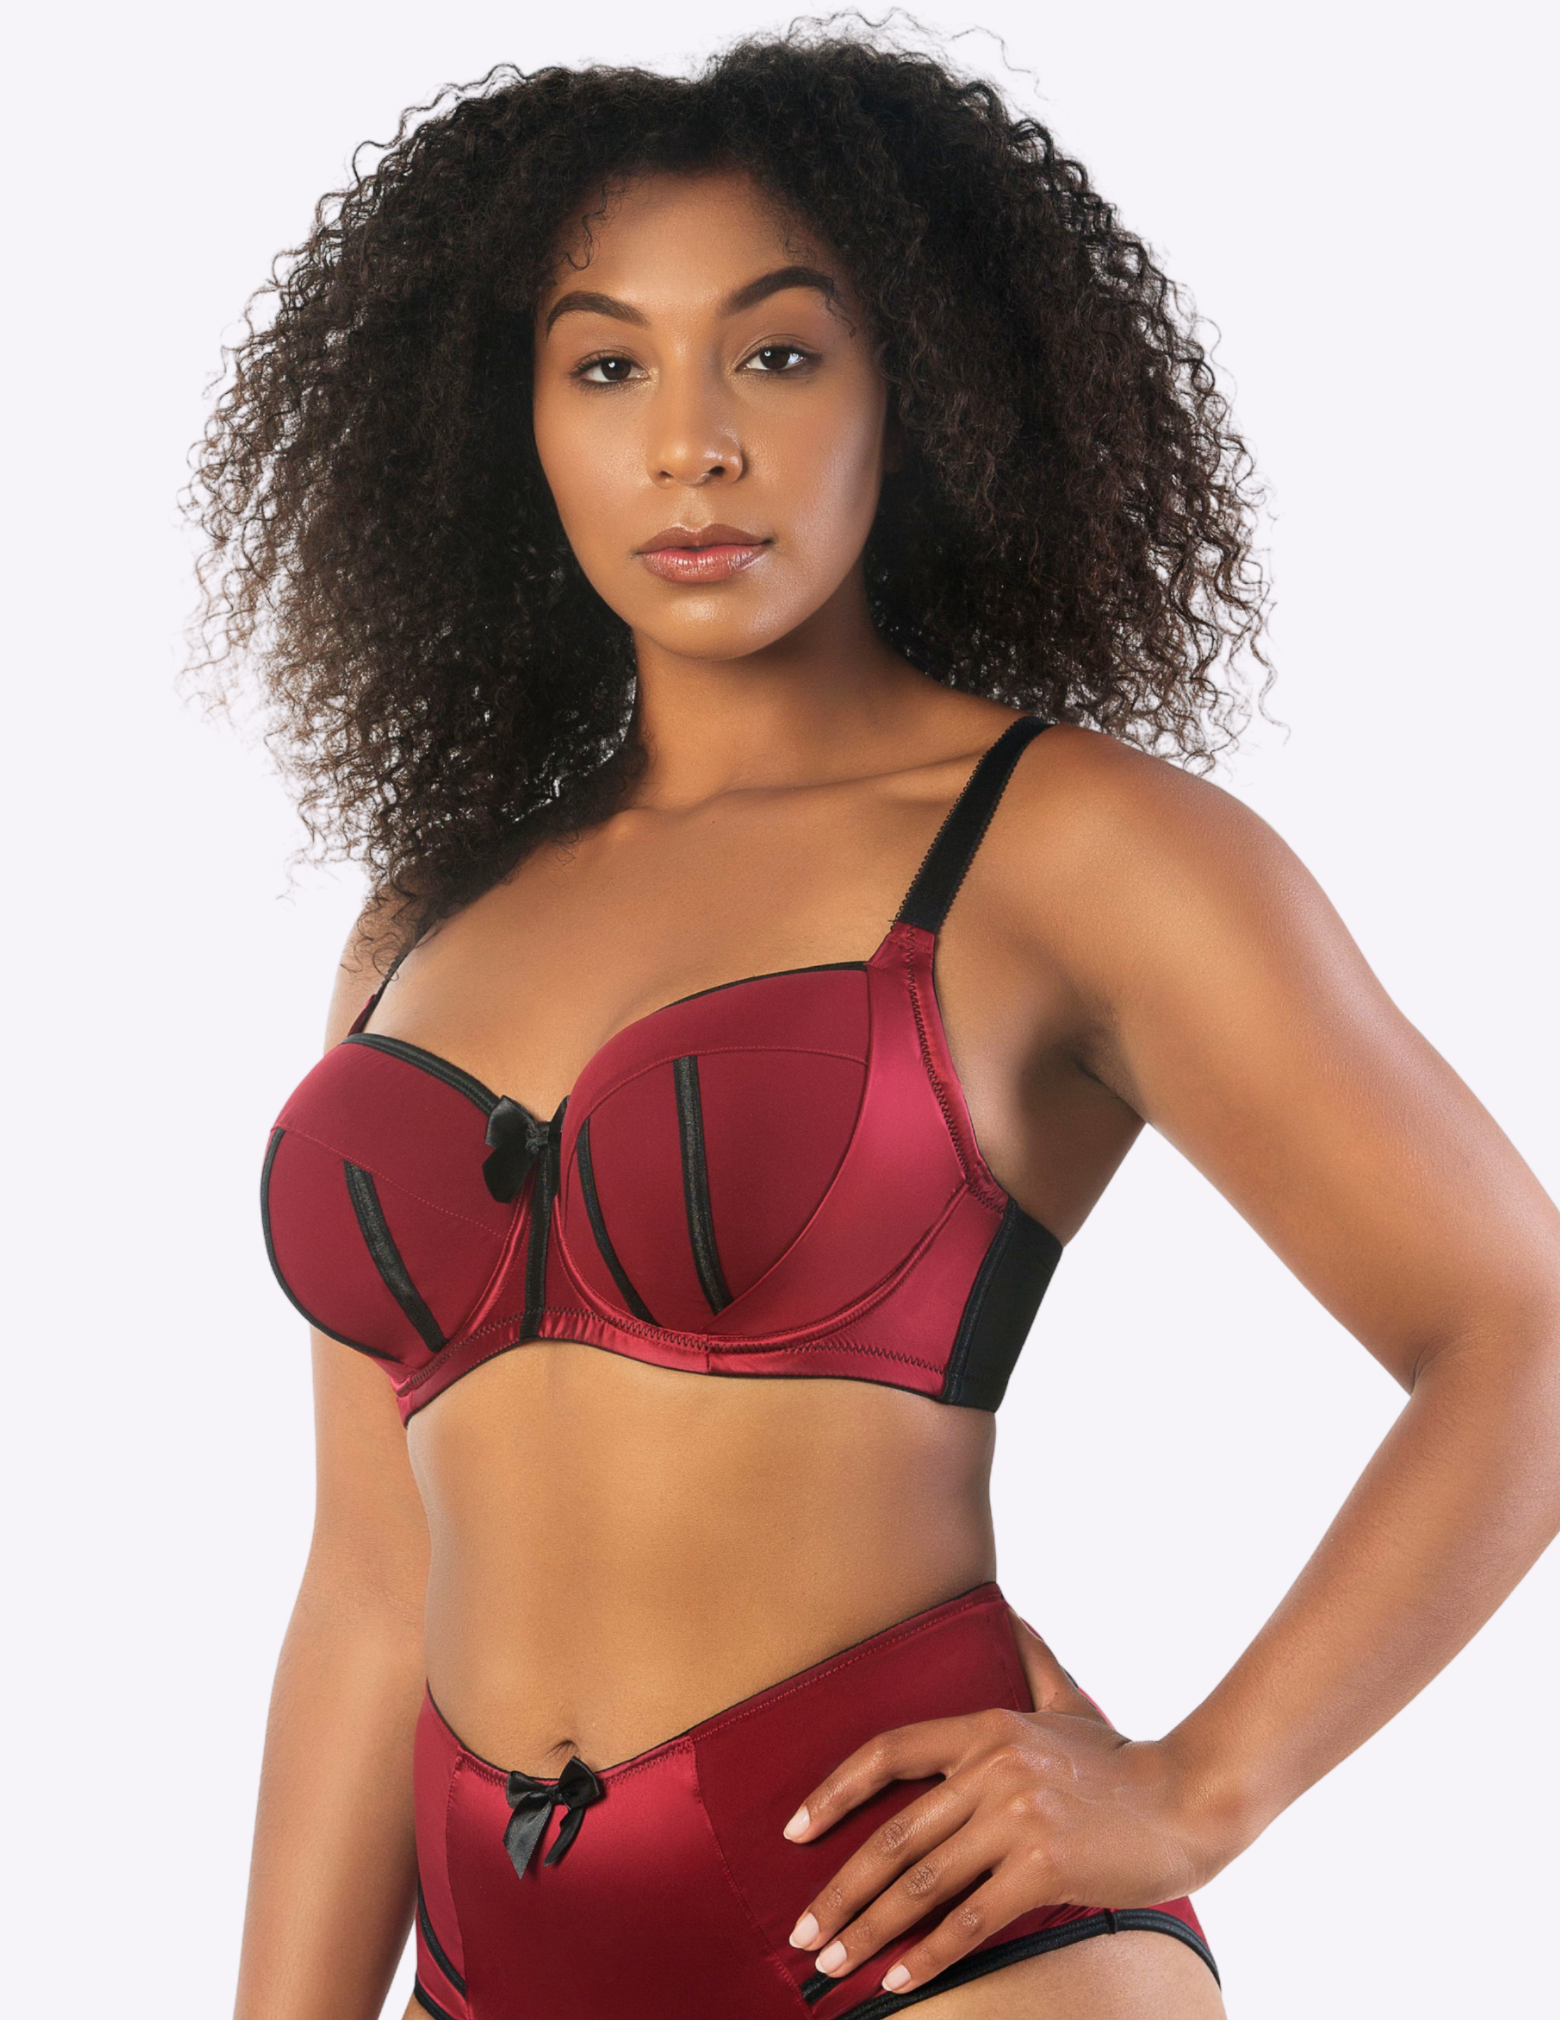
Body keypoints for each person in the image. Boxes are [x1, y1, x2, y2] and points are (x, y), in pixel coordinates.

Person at [191, 27, 1560, 2020]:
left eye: (776, 352)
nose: (693, 446)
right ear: (507, 424)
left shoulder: (1076, 849)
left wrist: (1198, 1788)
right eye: (606, 367)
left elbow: (1522, 1330)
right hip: (492, 1963)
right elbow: (369, 1588)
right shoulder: (428, 919)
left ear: (917, 388)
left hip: (926, 1946)